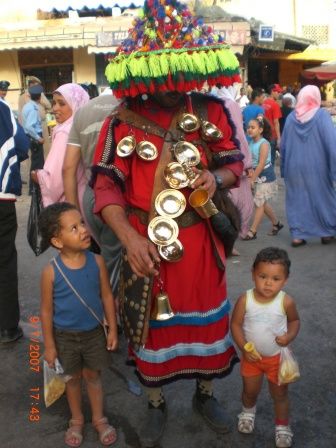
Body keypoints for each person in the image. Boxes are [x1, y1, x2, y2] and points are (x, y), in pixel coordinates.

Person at [91, 1, 244, 446]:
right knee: (151, 327)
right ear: (146, 74)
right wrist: (128, 238)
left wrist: (213, 178)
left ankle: (205, 392)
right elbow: (105, 190)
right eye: (161, 80)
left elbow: (234, 164)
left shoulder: (212, 111)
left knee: (207, 319)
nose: (171, 88)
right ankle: (155, 402)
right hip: (147, 245)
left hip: (200, 244)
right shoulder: (119, 123)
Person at [38, 202, 118, 447]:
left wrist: (113, 328)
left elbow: (106, 296)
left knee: (93, 376)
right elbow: (46, 310)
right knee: (72, 379)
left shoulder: (97, 262)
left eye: (81, 223)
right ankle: (77, 420)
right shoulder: (51, 272)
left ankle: (99, 419)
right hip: (64, 337)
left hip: (94, 333)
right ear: (58, 241)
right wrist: (50, 346)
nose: (83, 230)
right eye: (73, 228)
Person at [231, 247, 300, 448]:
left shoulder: (286, 301)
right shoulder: (245, 300)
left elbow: (295, 321)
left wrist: (289, 336)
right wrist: (244, 347)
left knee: (280, 395)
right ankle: (247, 413)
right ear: (253, 274)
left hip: (277, 360)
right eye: (263, 276)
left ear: (285, 280)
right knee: (250, 391)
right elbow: (235, 324)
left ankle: (282, 427)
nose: (269, 283)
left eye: (276, 278)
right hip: (252, 359)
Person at [63, 92, 121, 295]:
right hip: (120, 198)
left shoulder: (83, 112)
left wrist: (73, 216)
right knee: (115, 265)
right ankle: (109, 317)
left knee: (105, 256)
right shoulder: (132, 104)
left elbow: (68, 168)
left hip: (91, 196)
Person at [280, 85, 336, 247]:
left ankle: (298, 235)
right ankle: (326, 232)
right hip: (318, 167)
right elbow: (332, 145)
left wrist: (284, 168)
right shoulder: (321, 116)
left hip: (294, 167)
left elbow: (283, 145)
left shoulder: (291, 118)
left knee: (296, 199)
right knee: (324, 196)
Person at [31, 83, 89, 213]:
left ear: (75, 105)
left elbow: (55, 180)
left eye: (61, 104)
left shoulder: (65, 132)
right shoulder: (84, 126)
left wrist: (38, 176)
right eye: (54, 103)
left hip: (69, 203)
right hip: (85, 199)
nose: (55, 108)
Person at [0, 92, 29, 343]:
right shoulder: (2, 108)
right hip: (1, 198)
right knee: (4, 261)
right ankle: (8, 328)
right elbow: (22, 146)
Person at [211, 85, 254, 243]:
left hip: (218, 159)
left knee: (223, 199)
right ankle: (235, 236)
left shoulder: (213, 102)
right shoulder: (231, 104)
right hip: (233, 157)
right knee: (239, 201)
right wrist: (247, 162)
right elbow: (238, 134)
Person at [243, 117, 283, 240]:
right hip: (255, 175)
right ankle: (276, 223)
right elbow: (251, 162)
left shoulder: (264, 143)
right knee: (261, 202)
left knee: (259, 203)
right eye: (248, 127)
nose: (249, 129)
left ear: (260, 130)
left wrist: (252, 179)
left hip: (265, 175)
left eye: (253, 127)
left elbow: (261, 164)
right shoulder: (251, 143)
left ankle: (252, 231)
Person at [18, 76, 52, 157]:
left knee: (45, 149)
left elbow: (49, 106)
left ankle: (44, 167)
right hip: (31, 128)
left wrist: (41, 98)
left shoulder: (40, 95)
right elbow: (20, 114)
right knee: (35, 152)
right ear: (30, 85)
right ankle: (35, 168)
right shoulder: (22, 97)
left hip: (42, 125)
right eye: (36, 86)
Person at [21, 83, 45, 194]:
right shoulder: (33, 109)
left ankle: (34, 188)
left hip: (31, 138)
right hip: (35, 138)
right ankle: (34, 188)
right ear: (39, 97)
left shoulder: (28, 106)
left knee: (36, 163)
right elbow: (29, 126)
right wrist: (38, 138)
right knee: (37, 164)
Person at [263, 84, 283, 166]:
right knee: (270, 159)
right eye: (277, 92)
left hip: (262, 134)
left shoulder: (263, 102)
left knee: (262, 157)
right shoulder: (275, 105)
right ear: (272, 92)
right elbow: (276, 122)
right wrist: (279, 138)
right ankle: (269, 176)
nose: (279, 94)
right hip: (272, 136)